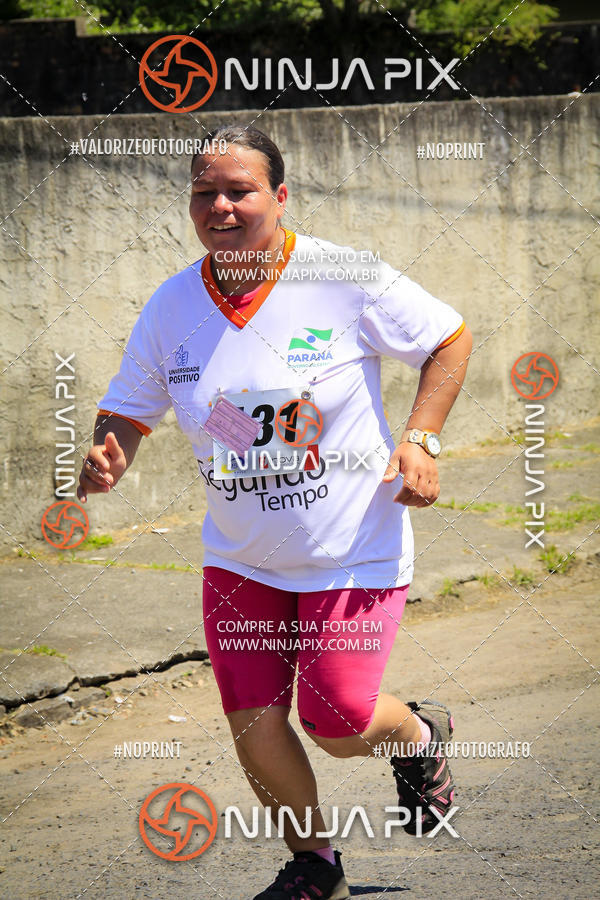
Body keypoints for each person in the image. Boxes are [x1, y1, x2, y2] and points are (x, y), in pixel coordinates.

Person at [78, 125, 472, 899]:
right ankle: (313, 864)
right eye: (204, 193)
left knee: (337, 719)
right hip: (240, 555)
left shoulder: (341, 277)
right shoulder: (171, 307)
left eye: (239, 190)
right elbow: (127, 409)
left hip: (350, 545)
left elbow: (449, 339)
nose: (220, 206)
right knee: (255, 725)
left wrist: (421, 439)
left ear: (280, 196)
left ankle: (419, 735)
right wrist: (109, 450)